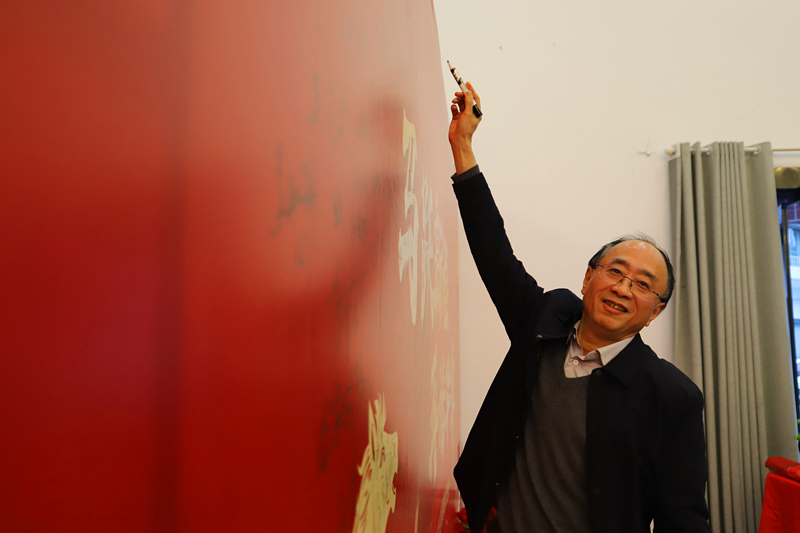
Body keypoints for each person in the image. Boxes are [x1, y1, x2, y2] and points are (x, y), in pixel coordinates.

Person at [448, 83, 709, 532]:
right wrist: (463, 146)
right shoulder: (542, 323)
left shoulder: (671, 395)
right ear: (588, 278)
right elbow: (494, 252)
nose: (623, 288)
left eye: (642, 285)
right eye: (615, 271)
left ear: (655, 312)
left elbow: (682, 518)